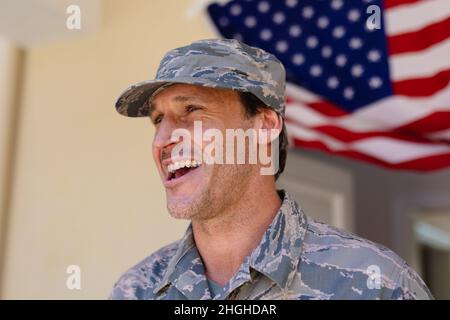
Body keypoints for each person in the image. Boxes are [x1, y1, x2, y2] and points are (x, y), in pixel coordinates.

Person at [110, 39, 432, 300]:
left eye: (192, 110)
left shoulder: (377, 285)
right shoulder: (136, 290)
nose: (163, 139)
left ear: (264, 126)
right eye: (157, 120)